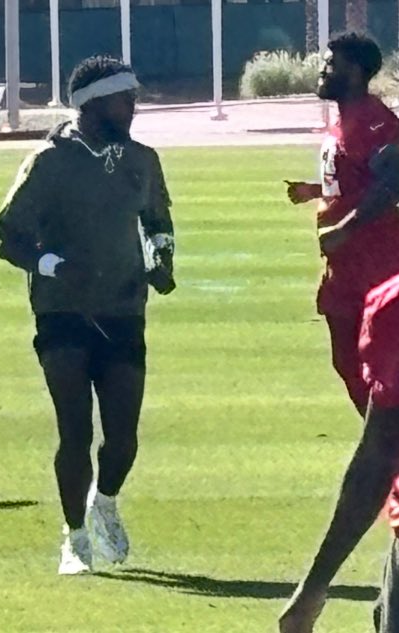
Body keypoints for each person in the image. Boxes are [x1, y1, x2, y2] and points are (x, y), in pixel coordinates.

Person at [0, 55, 175, 575]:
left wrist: (162, 258)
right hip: (63, 313)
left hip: (123, 309)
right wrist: (51, 264)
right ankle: (73, 536)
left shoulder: (142, 160)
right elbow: (7, 236)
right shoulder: (49, 161)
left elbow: (158, 221)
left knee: (122, 438)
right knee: (74, 431)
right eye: (126, 99)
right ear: (93, 103)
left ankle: (106, 501)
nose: (133, 108)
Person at [279, 33, 399, 633]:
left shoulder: (376, 121)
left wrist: (346, 225)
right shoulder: (343, 123)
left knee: (383, 425)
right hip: (347, 286)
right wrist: (316, 195)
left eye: (330, 62)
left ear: (353, 68)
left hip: (376, 282)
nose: (322, 70)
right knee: (369, 407)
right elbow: (353, 179)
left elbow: (390, 183)